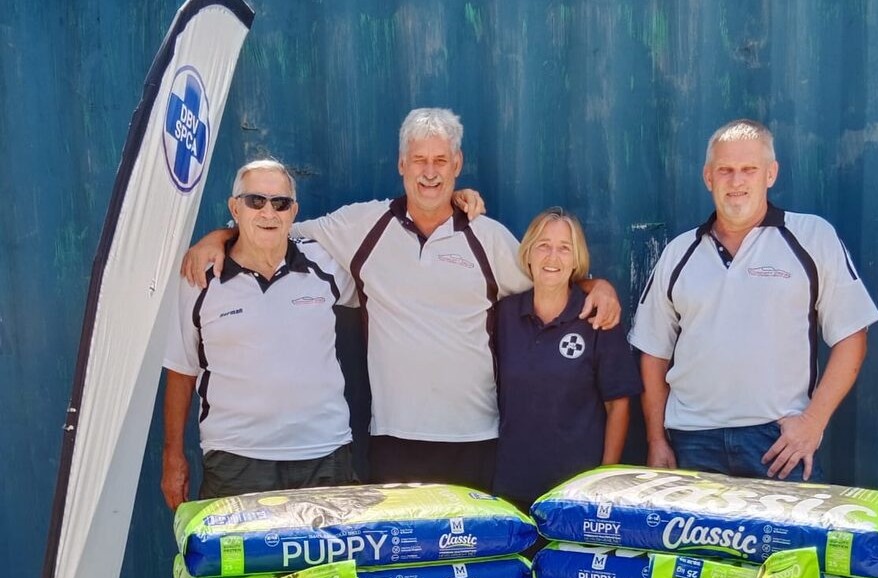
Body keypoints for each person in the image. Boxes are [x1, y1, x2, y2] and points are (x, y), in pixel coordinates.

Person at [182, 108, 620, 491]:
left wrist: (594, 285)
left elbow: (547, 278)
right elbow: (275, 229)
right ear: (401, 165)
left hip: (475, 437)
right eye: (419, 160)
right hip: (393, 439)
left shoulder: (488, 237)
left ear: (457, 165)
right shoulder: (362, 226)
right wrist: (218, 236)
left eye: (440, 161)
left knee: (472, 559)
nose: (430, 172)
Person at [629, 118, 878, 482]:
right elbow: (653, 353)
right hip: (692, 441)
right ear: (708, 177)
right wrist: (656, 439)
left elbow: (852, 336)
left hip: (778, 442)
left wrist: (813, 422)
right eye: (725, 170)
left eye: (749, 169)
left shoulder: (812, 237)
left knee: (791, 525)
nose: (736, 181)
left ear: (771, 173)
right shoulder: (678, 253)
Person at [162, 159, 355, 509]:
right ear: (235, 208)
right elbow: (181, 369)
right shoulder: (200, 277)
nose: (268, 212)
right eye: (255, 201)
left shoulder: (326, 265)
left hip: (324, 454)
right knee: (240, 550)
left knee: (331, 550)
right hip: (236, 458)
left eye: (280, 203)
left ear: (293, 212)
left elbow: (389, 277)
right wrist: (172, 454)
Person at [492, 208, 642, 510]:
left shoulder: (597, 317)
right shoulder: (503, 314)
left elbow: (618, 405)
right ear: (528, 254)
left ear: (577, 260)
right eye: (543, 245)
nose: (553, 257)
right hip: (511, 486)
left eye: (564, 248)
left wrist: (604, 479)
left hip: (577, 492)